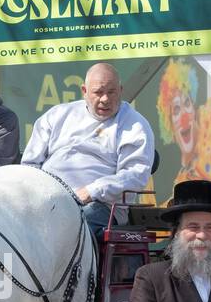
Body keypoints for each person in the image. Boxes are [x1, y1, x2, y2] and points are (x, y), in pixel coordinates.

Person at [20, 62, 155, 241]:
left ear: (120, 90)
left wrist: (91, 192)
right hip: (47, 199)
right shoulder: (58, 115)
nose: (105, 99)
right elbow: (30, 164)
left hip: (100, 206)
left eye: (111, 92)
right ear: (84, 91)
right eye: (98, 92)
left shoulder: (135, 125)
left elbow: (134, 175)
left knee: (72, 227)